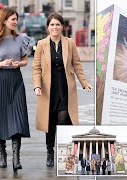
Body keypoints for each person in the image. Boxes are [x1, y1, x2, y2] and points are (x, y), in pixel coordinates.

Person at [32, 12, 93, 167]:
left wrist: (84, 83)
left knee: (64, 119)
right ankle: (50, 152)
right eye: (52, 24)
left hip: (65, 87)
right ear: (48, 27)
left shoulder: (69, 43)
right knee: (50, 121)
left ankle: (65, 153)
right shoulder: (41, 44)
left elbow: (77, 64)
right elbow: (36, 68)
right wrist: (37, 86)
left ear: (62, 26)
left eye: (58, 24)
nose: (55, 27)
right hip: (48, 88)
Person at [0, 7, 31, 172]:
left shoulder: (21, 39)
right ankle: (3, 153)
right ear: (4, 20)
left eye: (16, 19)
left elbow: (25, 61)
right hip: (0, 82)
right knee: (0, 118)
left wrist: (19, 64)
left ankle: (16, 158)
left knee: (18, 118)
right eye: (13, 19)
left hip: (16, 81)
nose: (15, 22)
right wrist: (2, 64)